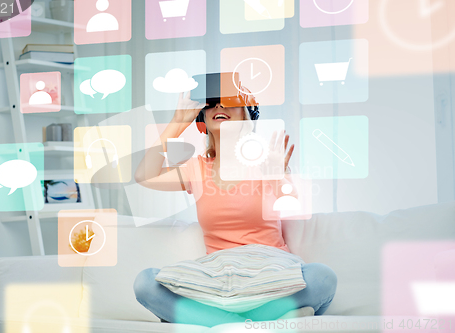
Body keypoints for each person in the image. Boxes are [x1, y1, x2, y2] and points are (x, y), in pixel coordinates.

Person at [133, 84, 337, 327]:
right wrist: (178, 122)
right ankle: (250, 324)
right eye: (211, 102)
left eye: (230, 100)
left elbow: (295, 205)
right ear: (202, 119)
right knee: (145, 283)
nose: (219, 105)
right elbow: (144, 176)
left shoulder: (265, 160)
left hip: (270, 275)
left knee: (323, 277)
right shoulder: (197, 169)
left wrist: (279, 174)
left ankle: (218, 324)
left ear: (246, 114)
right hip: (218, 278)